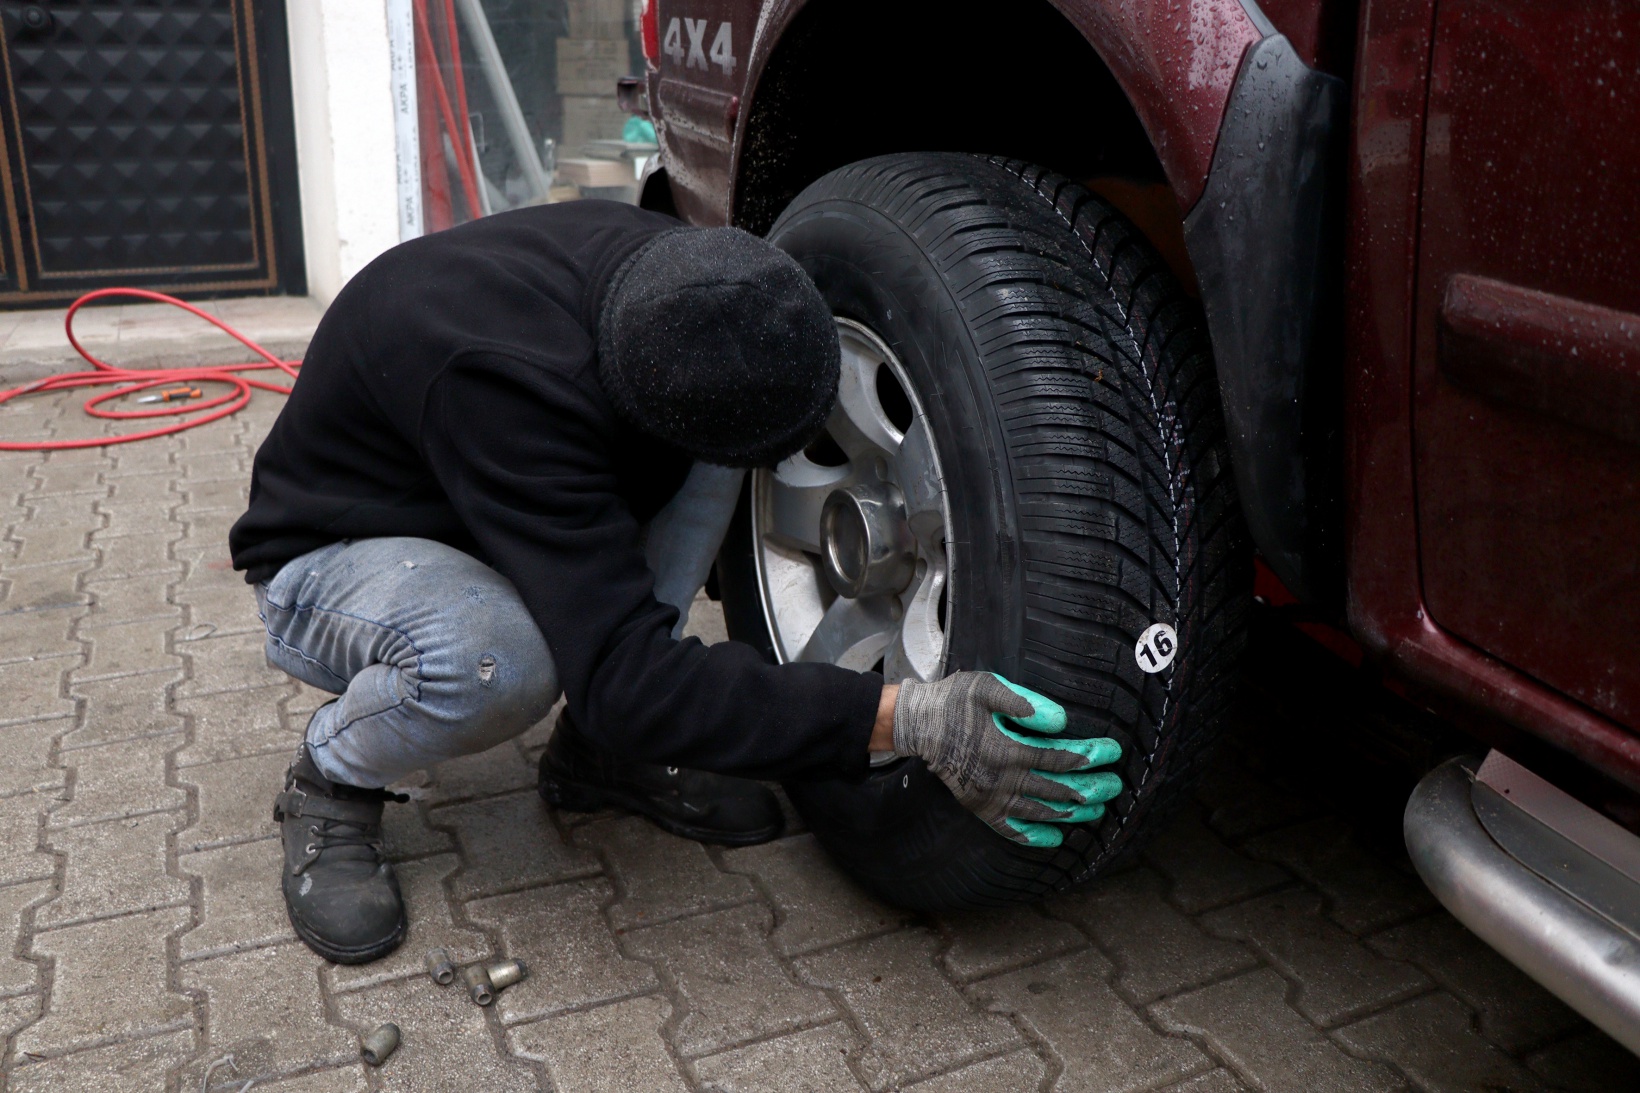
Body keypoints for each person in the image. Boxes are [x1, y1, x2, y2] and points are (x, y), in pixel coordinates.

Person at [229, 202, 1123, 964]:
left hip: (481, 495)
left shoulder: (704, 284)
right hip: (335, 554)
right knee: (500, 659)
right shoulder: (510, 391)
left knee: (721, 438)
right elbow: (627, 681)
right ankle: (331, 777)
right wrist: (905, 717)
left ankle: (598, 759)